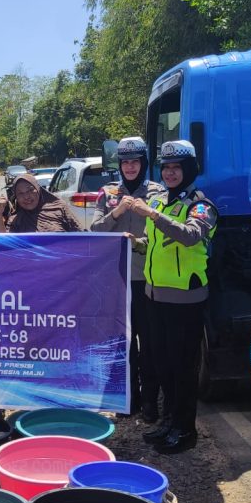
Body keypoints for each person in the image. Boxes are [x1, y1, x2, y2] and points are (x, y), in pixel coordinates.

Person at [132, 140, 218, 454]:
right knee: (164, 365)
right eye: (166, 167)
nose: (170, 173)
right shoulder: (160, 203)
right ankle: (168, 422)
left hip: (185, 300)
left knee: (183, 369)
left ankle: (185, 430)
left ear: (189, 170)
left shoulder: (201, 205)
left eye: (176, 168)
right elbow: (154, 243)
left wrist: (153, 217)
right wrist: (136, 242)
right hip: (155, 296)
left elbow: (190, 235)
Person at [90, 137, 166, 422]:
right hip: (117, 279)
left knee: (150, 343)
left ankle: (150, 402)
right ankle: (127, 399)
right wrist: (118, 211)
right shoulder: (108, 193)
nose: (130, 167)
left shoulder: (158, 192)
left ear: (143, 163)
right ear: (120, 165)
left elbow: (164, 229)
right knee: (123, 343)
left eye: (135, 162)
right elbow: (96, 229)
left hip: (149, 279)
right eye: (125, 162)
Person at [7, 172, 81, 233]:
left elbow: (81, 235)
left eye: (30, 190)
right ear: (16, 197)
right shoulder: (15, 220)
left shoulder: (59, 207)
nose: (26, 196)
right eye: (20, 193)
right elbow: (6, 244)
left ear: (38, 190)